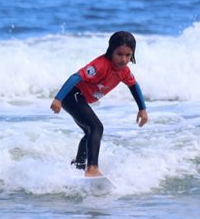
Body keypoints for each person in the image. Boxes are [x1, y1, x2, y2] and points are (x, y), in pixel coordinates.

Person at [50, 31, 148, 177]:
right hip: (72, 96)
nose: (123, 59)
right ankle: (92, 168)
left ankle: (79, 165)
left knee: (90, 132)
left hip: (79, 98)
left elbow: (134, 85)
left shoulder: (124, 71)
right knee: (97, 127)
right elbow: (76, 77)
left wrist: (142, 109)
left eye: (128, 55)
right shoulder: (100, 65)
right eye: (119, 54)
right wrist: (58, 98)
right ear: (111, 51)